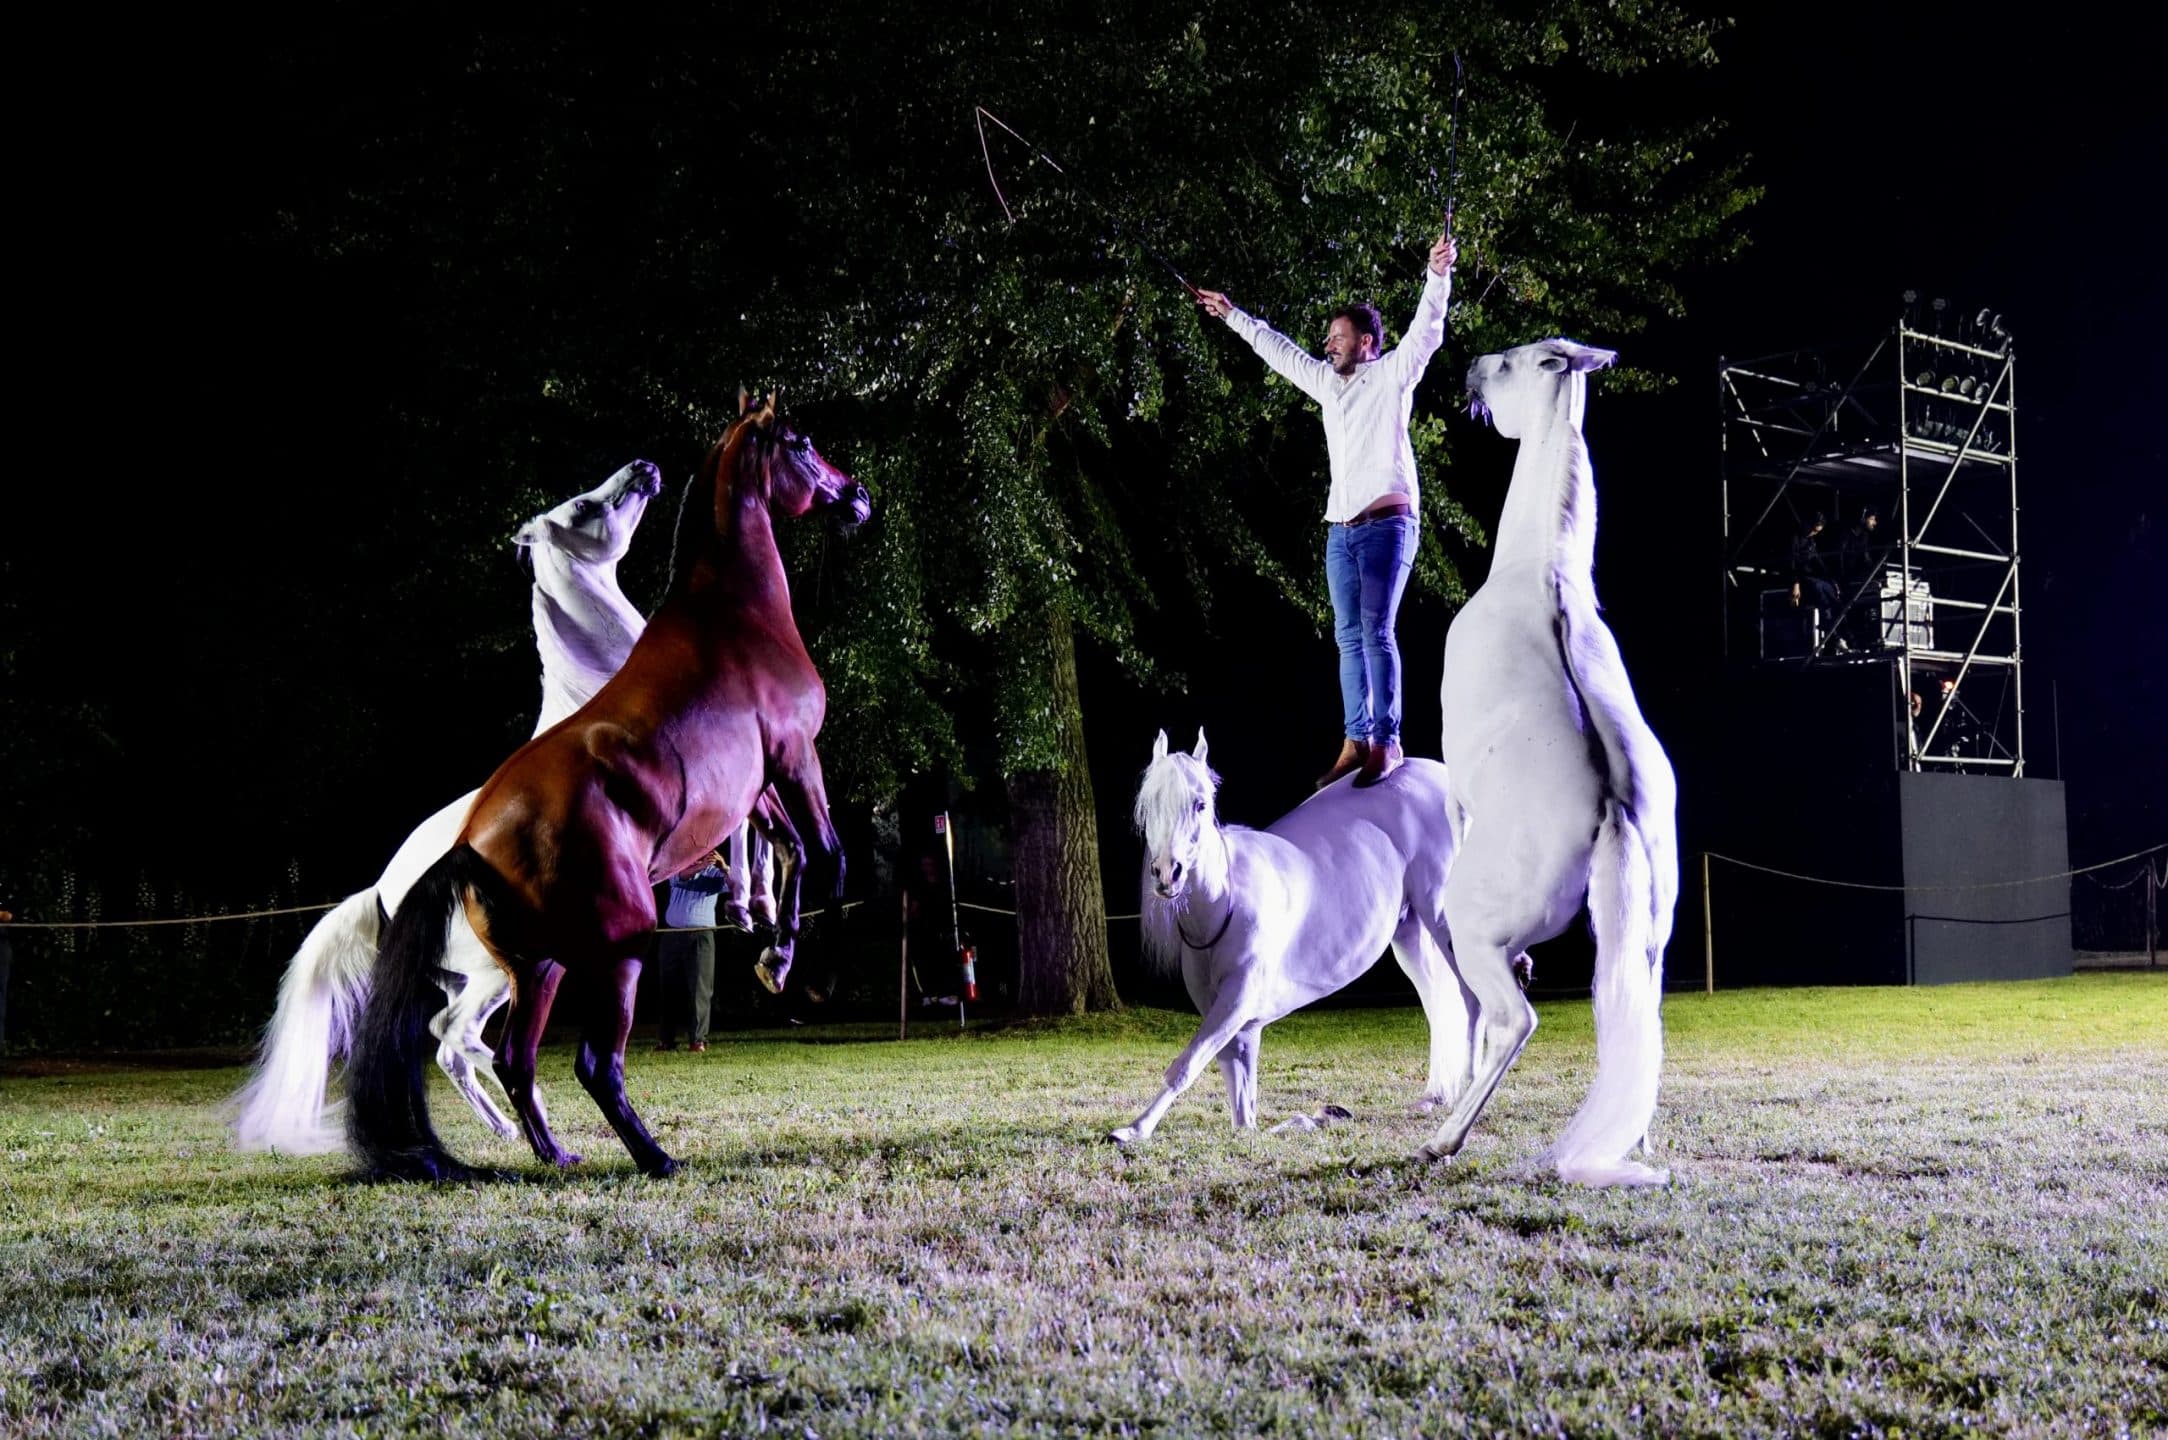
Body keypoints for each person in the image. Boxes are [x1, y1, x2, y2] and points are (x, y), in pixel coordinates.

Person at [1197, 229, 1457, 789]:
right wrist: (1231, 314)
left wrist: (1438, 274)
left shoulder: (1391, 375)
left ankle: (1387, 741)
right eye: (1329, 337)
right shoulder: (1324, 383)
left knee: (1376, 629)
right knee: (1346, 635)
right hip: (1341, 530)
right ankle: (1355, 739)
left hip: (1388, 524)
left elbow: (1426, 332)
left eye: (1339, 337)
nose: (1329, 344)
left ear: (1367, 342)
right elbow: (1278, 349)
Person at [653, 851, 727, 1053]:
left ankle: (698, 1040)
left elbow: (737, 885)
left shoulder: (715, 872)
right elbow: (679, 879)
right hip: (672, 935)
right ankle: (666, 1040)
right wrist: (700, 866)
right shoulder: (677, 865)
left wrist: (723, 867)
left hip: (701, 935)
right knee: (668, 989)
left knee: (700, 990)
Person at [1789, 512, 1840, 651]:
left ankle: (1837, 633)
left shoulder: (1811, 541)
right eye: (1813, 530)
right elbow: (1791, 562)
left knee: (1829, 590)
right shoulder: (1795, 537)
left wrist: (1832, 580)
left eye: (1816, 532)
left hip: (1809, 576)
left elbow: (1818, 560)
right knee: (1819, 589)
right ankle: (1834, 637)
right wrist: (1796, 583)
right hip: (1799, 577)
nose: (1813, 533)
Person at [1837, 506, 1884, 650]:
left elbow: (1866, 559)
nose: (1874, 523)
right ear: (1862, 518)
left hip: (1856, 580)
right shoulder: (1844, 535)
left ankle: (1871, 639)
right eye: (1872, 519)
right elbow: (1838, 560)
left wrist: (1877, 574)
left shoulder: (1864, 536)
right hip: (1844, 581)